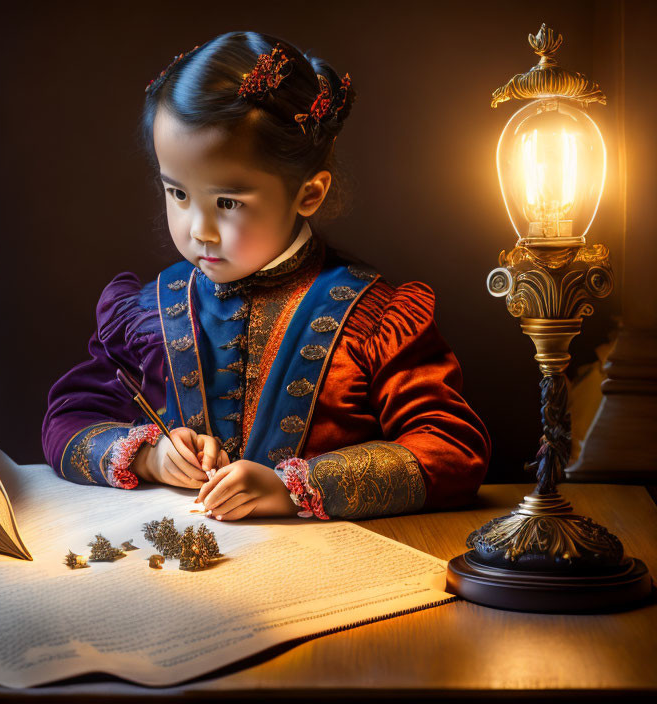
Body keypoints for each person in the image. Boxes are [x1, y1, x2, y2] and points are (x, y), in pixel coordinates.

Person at [41, 32, 491, 522]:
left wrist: (292, 488)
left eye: (228, 203)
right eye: (178, 194)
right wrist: (150, 457)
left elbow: (452, 450)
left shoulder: (371, 318)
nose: (199, 230)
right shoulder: (147, 312)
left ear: (310, 193)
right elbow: (68, 419)